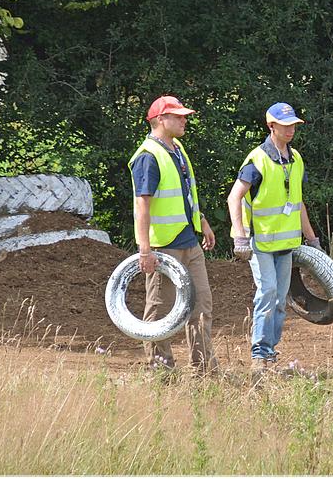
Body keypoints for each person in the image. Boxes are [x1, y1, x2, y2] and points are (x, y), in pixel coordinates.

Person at [227, 102, 321, 373]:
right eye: (285, 125)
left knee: (280, 300)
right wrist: (241, 238)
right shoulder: (256, 160)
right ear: (271, 126)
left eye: (293, 124)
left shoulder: (296, 159)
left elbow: (298, 201)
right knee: (267, 293)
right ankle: (259, 354)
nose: (290, 129)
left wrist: (311, 239)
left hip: (286, 244)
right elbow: (234, 197)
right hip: (261, 243)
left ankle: (269, 352)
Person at [128, 95, 219, 375]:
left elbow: (185, 194)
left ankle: (204, 370)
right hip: (162, 248)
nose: (184, 120)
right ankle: (160, 371)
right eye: (178, 116)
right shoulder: (147, 157)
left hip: (189, 243)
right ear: (159, 120)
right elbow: (142, 204)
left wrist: (201, 220)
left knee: (202, 305)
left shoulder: (177, 149)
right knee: (159, 310)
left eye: (184, 115)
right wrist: (145, 250)